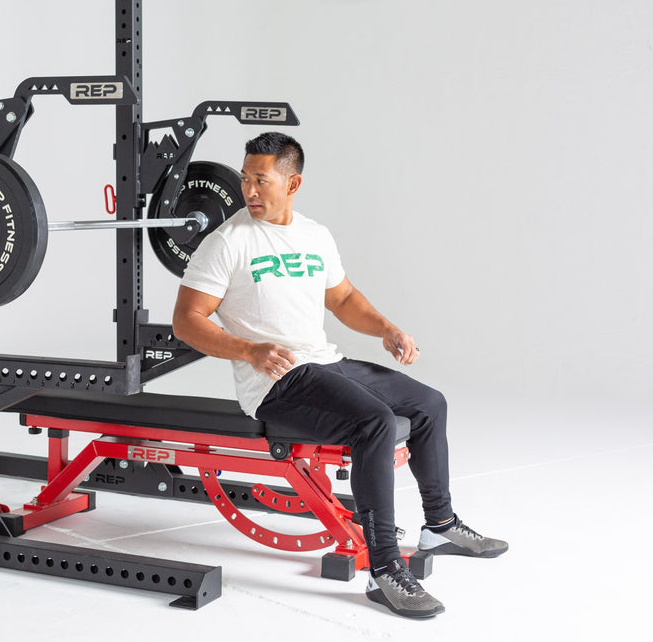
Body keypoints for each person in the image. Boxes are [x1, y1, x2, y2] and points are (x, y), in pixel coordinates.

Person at [172, 132, 507, 619]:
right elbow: (187, 321)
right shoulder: (226, 243)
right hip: (276, 381)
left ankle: (439, 524)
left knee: (429, 403)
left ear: (294, 183)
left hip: (325, 361)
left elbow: (344, 299)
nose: (248, 190)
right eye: (245, 179)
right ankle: (384, 568)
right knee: (374, 422)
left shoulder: (314, 235)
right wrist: (248, 350)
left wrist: (386, 329)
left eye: (260, 180)